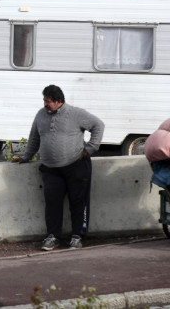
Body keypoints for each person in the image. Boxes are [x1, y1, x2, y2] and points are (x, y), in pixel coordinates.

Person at [13, 85, 104, 251]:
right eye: (44, 101)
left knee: (78, 203)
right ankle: (52, 236)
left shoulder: (76, 114)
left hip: (76, 166)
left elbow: (98, 125)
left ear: (59, 101)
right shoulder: (41, 115)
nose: (45, 104)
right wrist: (26, 157)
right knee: (52, 204)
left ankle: (78, 236)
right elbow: (34, 138)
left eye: (48, 101)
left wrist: (90, 149)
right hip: (50, 169)